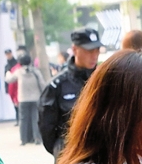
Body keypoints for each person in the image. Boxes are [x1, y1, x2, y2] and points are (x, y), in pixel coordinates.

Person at [38, 27, 103, 155]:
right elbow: (47, 128)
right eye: (89, 50)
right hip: (69, 154)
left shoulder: (104, 81)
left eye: (97, 50)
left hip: (101, 154)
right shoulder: (57, 85)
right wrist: (61, 149)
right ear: (74, 49)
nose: (94, 55)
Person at [14, 52, 44, 147]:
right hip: (35, 98)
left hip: (23, 99)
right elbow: (42, 84)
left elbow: (9, 79)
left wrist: (7, 73)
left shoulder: (18, 72)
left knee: (23, 119)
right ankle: (37, 138)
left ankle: (23, 139)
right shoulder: (35, 71)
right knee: (36, 119)